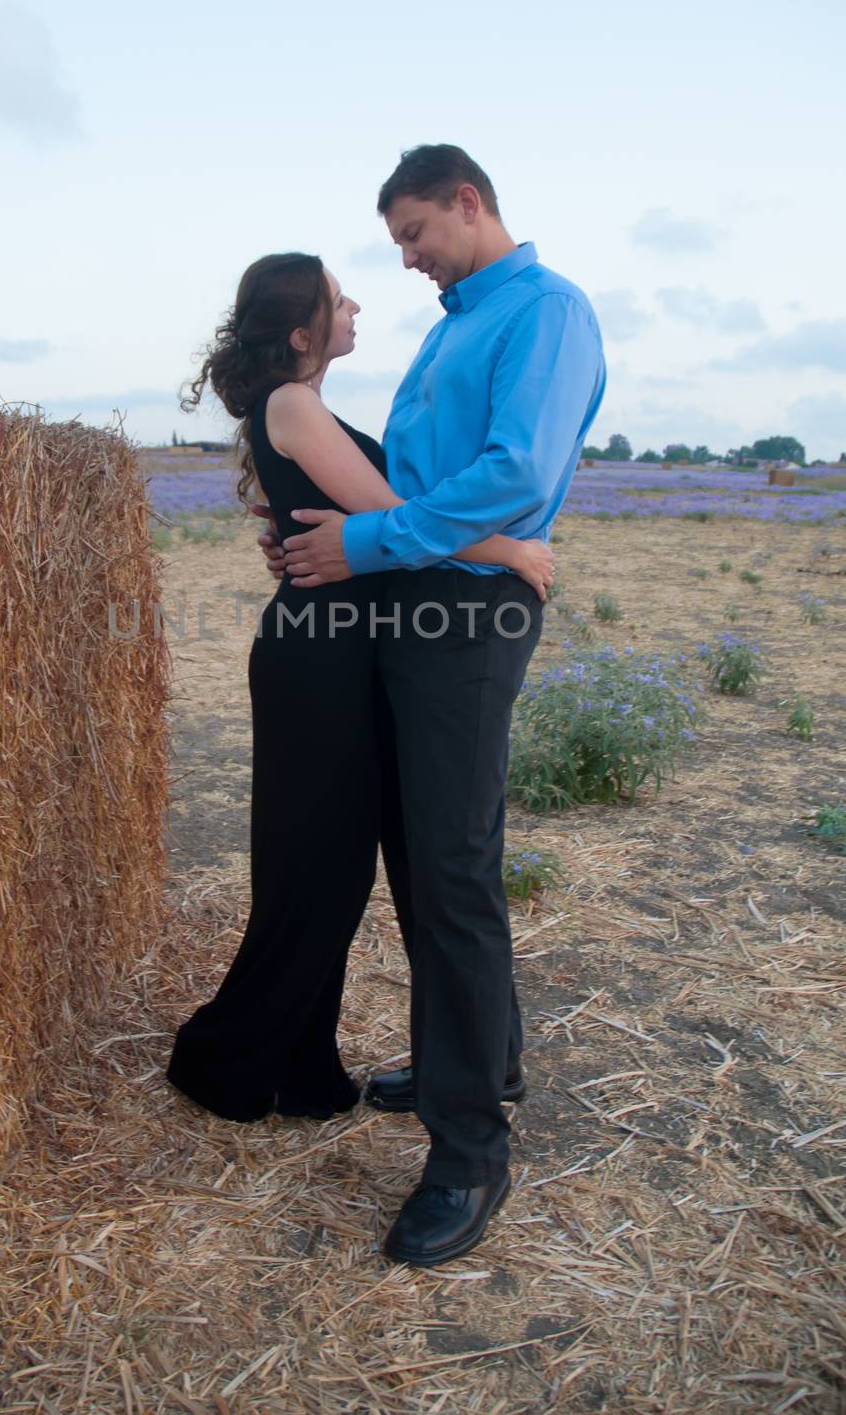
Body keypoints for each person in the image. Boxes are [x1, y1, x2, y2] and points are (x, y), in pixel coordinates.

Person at [262, 145, 607, 1267]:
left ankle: (469, 1151)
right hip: (419, 602)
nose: (405, 260)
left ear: (468, 203)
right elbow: (412, 474)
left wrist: (361, 542)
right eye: (397, 244)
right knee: (425, 853)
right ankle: (481, 1058)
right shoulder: (459, 318)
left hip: (466, 616)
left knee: (451, 868)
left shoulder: (545, 313)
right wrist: (325, 533)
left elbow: (511, 474)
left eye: (415, 235)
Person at [166, 252, 556, 1129]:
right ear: (303, 333)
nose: (355, 308)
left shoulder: (304, 407)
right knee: (314, 872)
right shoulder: (294, 403)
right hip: (318, 657)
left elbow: (366, 520)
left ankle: (302, 1063)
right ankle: (231, 1058)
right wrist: (511, 552)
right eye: (338, 301)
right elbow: (391, 512)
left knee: (332, 871)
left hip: (344, 650)